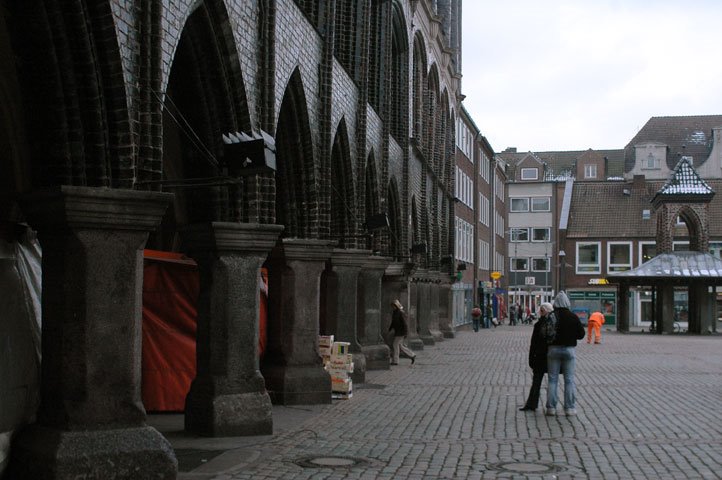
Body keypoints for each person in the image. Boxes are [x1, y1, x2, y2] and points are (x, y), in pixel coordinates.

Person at [546, 291, 585, 416]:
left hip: (553, 349)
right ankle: (570, 408)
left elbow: (544, 333)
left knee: (552, 379)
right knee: (569, 380)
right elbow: (581, 334)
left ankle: (551, 408)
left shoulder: (551, 316)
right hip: (569, 349)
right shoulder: (573, 316)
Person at [520, 302, 555, 411]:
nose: (540, 312)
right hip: (550, 355)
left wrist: (532, 357)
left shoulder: (540, 324)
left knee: (537, 380)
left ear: (546, 311)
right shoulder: (554, 322)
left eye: (542, 310)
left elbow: (534, 343)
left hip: (541, 355)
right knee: (551, 380)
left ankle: (532, 403)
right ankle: (550, 405)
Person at [389, 299, 416, 365]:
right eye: (392, 306)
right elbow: (393, 322)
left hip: (401, 332)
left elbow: (405, 324)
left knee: (395, 345)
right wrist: (390, 329)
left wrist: (405, 333)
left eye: (394, 306)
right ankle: (412, 355)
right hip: (398, 331)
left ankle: (395, 361)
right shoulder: (395, 312)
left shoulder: (401, 313)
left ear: (397, 306)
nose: (393, 307)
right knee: (400, 346)